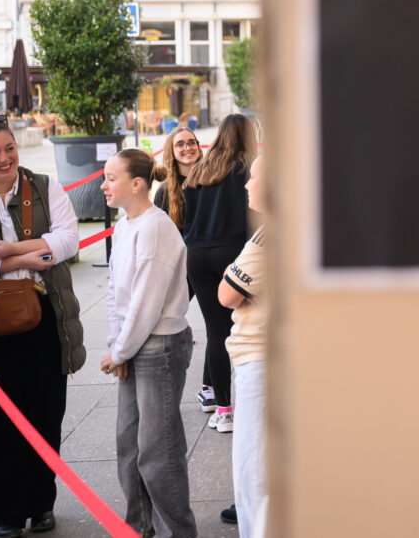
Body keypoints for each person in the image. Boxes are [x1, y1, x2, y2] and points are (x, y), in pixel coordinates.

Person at [0, 109, 85, 537]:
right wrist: (25, 259)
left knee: (46, 414)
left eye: (9, 148)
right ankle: (3, 515)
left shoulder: (44, 186)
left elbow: (68, 241)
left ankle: (41, 504)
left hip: (45, 317)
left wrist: (6, 251)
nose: (4, 158)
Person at [100, 149, 197, 537]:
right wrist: (118, 345)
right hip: (134, 342)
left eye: (111, 178)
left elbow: (146, 301)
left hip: (160, 347)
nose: (104, 185)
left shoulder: (155, 228)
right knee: (130, 446)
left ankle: (178, 532)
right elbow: (115, 290)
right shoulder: (124, 226)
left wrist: (120, 350)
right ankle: (139, 527)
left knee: (159, 452)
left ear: (137, 184)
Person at [182, 113, 255, 434]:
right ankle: (253, 402)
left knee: (215, 330)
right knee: (244, 328)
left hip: (197, 256)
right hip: (233, 253)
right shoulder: (247, 168)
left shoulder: (199, 170)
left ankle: (223, 409)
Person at [218, 155, 269, 535]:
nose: (247, 184)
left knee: (253, 469)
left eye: (254, 177)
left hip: (261, 359)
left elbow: (226, 294)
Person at [153, 126, 216, 412]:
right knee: (163, 323)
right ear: (171, 150)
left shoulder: (212, 180)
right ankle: (158, 386)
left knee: (217, 326)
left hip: (206, 264)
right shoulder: (165, 191)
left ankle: (210, 387)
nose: (188, 147)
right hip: (178, 267)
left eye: (192, 142)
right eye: (180, 144)